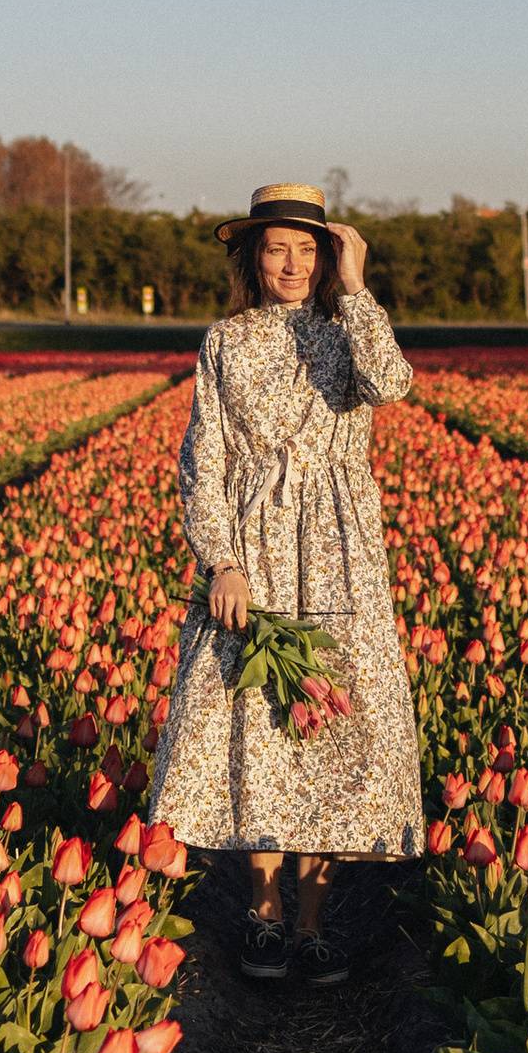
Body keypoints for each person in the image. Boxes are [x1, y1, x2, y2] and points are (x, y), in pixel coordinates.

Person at [145, 182, 425, 985]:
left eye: (311, 249)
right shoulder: (226, 343)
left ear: (329, 256)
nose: (294, 264)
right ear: (252, 258)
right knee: (263, 723)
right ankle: (263, 918)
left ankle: (314, 924)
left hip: (340, 548)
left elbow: (392, 384)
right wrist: (221, 560)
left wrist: (360, 281)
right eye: (278, 248)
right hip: (257, 548)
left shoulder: (349, 332)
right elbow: (207, 461)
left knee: (332, 726)